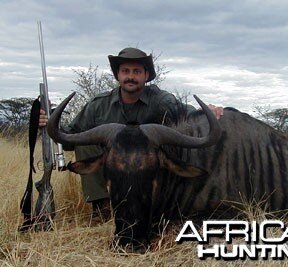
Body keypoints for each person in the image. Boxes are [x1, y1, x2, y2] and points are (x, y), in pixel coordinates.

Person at [39, 47, 223, 220]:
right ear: (118, 75)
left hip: (149, 173)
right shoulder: (98, 105)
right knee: (86, 143)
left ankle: (164, 203)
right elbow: (70, 137)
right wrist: (49, 126)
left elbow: (190, 118)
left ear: (146, 75)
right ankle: (103, 208)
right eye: (126, 71)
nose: (131, 77)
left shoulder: (162, 100)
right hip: (114, 170)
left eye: (137, 72)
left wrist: (208, 112)